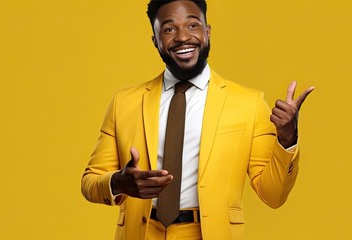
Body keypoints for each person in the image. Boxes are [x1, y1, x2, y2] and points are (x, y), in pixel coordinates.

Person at [81, 0, 314, 239]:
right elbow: (90, 181)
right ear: (155, 41)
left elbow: (273, 195)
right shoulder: (124, 102)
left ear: (207, 31)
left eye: (192, 25)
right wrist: (118, 183)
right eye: (169, 29)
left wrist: (287, 138)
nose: (183, 37)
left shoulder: (248, 103)